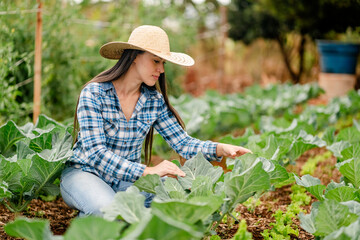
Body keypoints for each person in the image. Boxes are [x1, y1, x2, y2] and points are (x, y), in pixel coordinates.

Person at [60, 25, 251, 216]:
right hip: (85, 173)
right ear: (134, 57)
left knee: (173, 205)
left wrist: (221, 149)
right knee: (109, 211)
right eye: (155, 61)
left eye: (163, 63)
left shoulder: (153, 101)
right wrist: (147, 171)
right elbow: (95, 153)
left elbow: (183, 143)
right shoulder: (94, 94)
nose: (160, 69)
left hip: (126, 181)